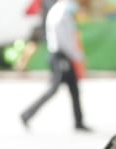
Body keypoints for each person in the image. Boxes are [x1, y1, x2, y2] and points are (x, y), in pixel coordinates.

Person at [19, 0, 89, 131]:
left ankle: (79, 122)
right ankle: (26, 114)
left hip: (63, 56)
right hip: (61, 56)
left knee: (74, 89)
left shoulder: (61, 11)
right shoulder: (62, 12)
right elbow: (65, 39)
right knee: (53, 89)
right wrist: (77, 56)